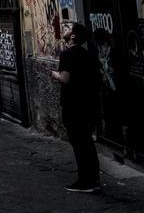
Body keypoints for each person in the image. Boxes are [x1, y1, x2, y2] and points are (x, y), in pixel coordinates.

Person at [52, 22, 101, 193]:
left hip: (73, 105)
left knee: (79, 144)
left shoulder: (67, 53)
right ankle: (94, 179)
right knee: (87, 142)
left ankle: (84, 181)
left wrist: (54, 74)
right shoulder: (86, 54)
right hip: (87, 104)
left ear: (73, 35)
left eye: (67, 28)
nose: (64, 29)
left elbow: (65, 78)